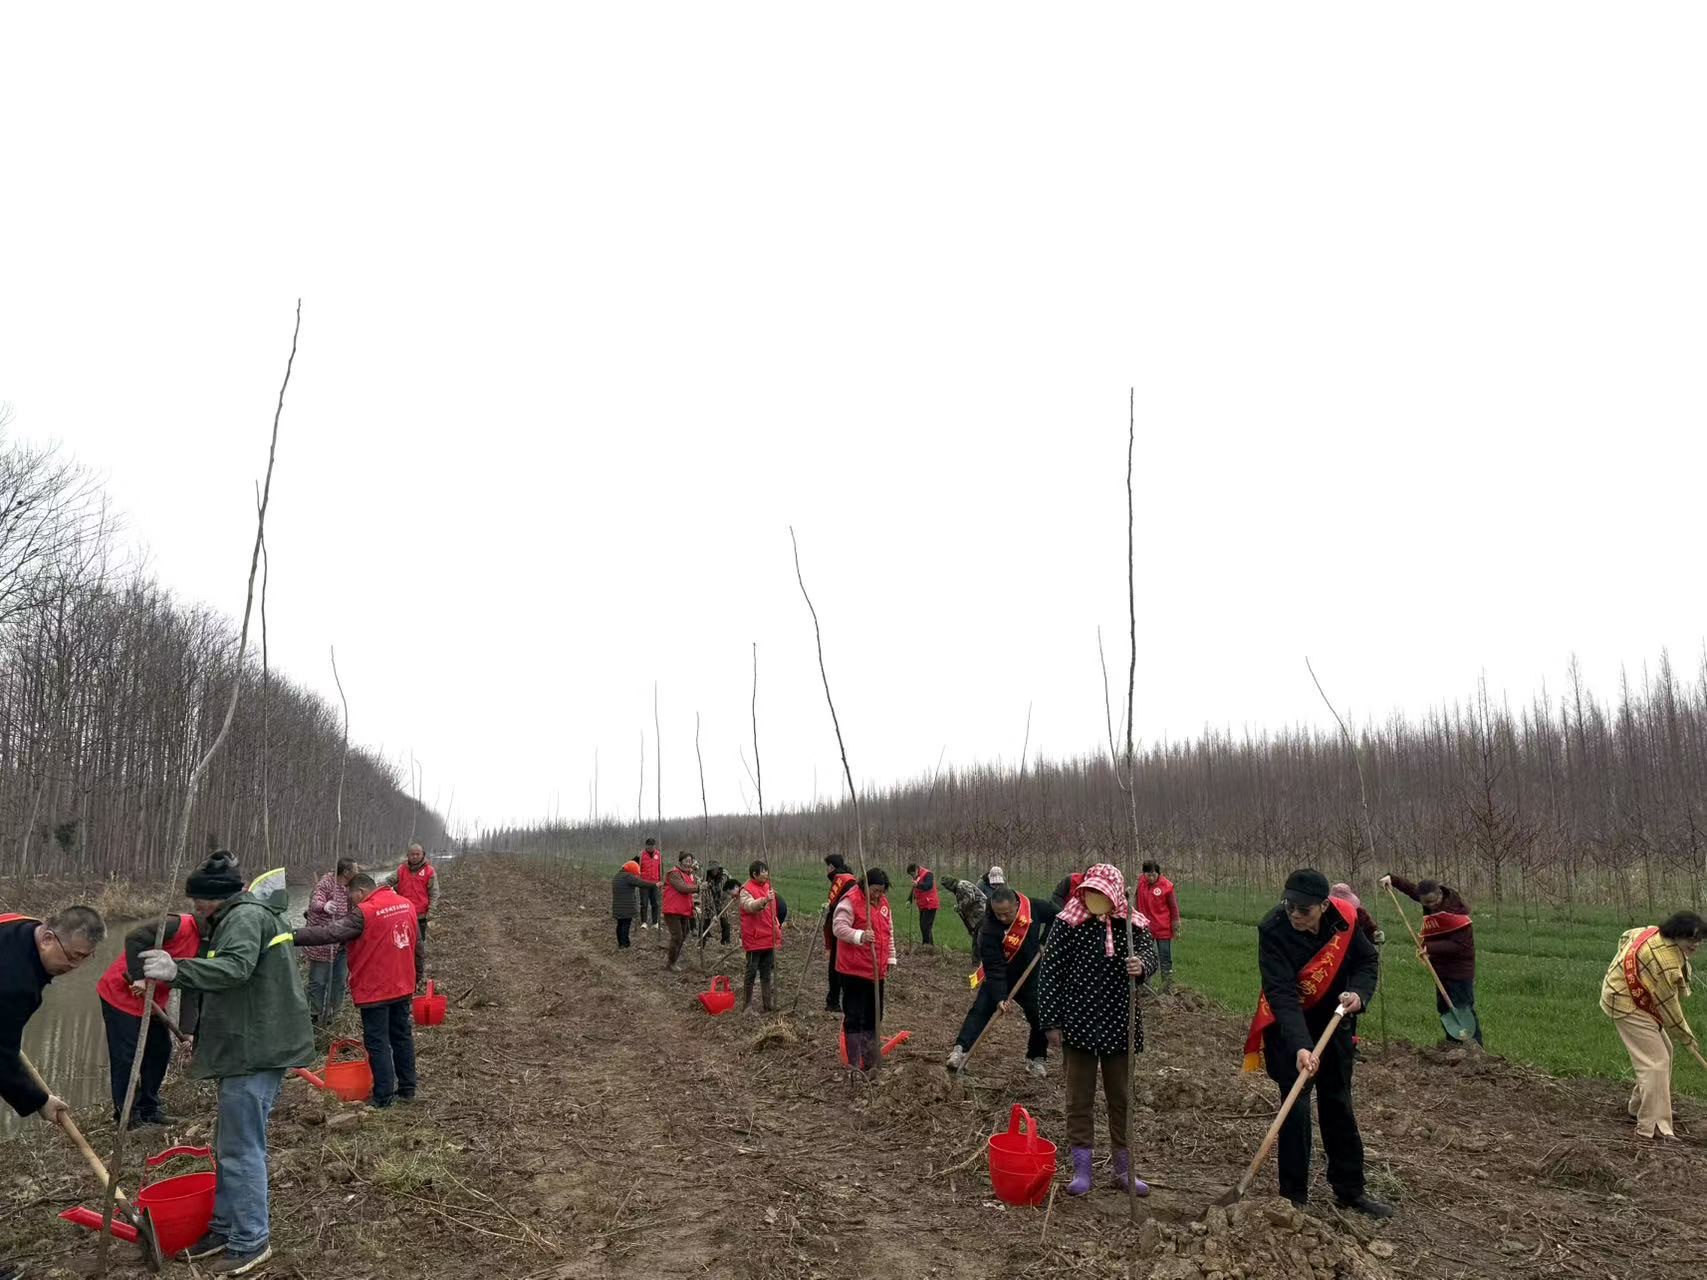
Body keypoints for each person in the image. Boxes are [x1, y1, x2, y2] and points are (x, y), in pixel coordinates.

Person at [140, 852, 315, 1275]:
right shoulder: (238, 916)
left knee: (241, 1149)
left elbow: (235, 969)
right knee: (228, 1145)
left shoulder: (244, 918)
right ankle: (223, 1227)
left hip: (255, 1050)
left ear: (215, 897)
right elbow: (236, 981)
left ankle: (251, 1239)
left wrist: (176, 970)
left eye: (198, 899)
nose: (194, 907)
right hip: (249, 1044)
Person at [1244, 868, 1388, 1218]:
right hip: (1289, 1028)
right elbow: (1281, 993)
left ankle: (1350, 1190)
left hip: (1334, 1022)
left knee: (1338, 1103)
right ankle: (1293, 1198)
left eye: (1303, 909)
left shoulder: (1345, 920)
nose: (1294, 914)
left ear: (1324, 906)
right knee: (1295, 1109)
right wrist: (1300, 1046)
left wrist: (1359, 994)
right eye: (1289, 906)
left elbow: (1367, 960)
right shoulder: (1273, 929)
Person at [1037, 863, 1157, 1196]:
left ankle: (1123, 1170)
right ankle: (1082, 1170)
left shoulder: (1131, 924)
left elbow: (1150, 954)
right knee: (1079, 1099)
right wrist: (1051, 1022)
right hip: (1078, 1024)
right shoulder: (1068, 924)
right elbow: (1050, 975)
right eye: (1090, 893)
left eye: (1102, 894)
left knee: (1122, 1099)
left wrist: (1141, 966)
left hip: (1120, 1024)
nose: (1095, 899)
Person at [290, 873, 421, 1109]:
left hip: (375, 990)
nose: (351, 901)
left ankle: (383, 1097)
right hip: (403, 985)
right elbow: (417, 945)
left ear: (360, 892)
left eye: (351, 896)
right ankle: (408, 1088)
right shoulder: (405, 904)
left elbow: (330, 933)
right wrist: (417, 976)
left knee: (378, 1042)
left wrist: (293, 936)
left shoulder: (365, 912)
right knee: (402, 1036)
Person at [1599, 911, 1707, 1139]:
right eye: (1691, 938)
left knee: (1665, 1051)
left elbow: (1627, 936)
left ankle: (1641, 1106)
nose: (1696, 944)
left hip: (1631, 994)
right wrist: (1688, 1039)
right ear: (1677, 934)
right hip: (1625, 1001)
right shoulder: (1665, 962)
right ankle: (1652, 1126)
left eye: (1700, 939)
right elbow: (1670, 1008)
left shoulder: (1654, 932)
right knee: (1655, 1063)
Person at [1, 905, 105, 1127]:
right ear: (47, 939)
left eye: (86, 957)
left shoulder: (24, 925)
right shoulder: (18, 986)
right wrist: (38, 1100)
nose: (75, 966)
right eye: (74, 956)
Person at [98, 911, 202, 1126]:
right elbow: (133, 938)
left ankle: (149, 1109)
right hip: (121, 993)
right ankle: (128, 1117)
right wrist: (138, 977)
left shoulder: (207, 944)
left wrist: (188, 1031)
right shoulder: (177, 924)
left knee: (160, 1051)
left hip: (153, 1001)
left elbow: (192, 986)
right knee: (126, 1057)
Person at [947, 884, 1061, 1076]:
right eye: (998, 913)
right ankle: (960, 1050)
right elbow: (994, 967)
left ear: (1016, 905)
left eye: (1006, 914)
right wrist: (1000, 997)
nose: (1002, 918)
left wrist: (1045, 940)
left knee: (1039, 1016)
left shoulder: (1032, 907)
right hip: (1000, 976)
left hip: (1030, 975)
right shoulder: (989, 927)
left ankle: (1036, 1058)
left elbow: (1059, 916)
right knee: (980, 1010)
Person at [1381, 871, 1478, 1045]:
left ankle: (1475, 1047)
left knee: (1462, 1009)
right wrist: (1392, 879)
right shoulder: (1428, 899)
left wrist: (1430, 948)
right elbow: (1412, 889)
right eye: (1426, 903)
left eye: (1433, 901)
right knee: (1445, 1009)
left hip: (1459, 970)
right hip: (1440, 969)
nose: (1431, 906)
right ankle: (1453, 1044)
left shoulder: (1455, 912)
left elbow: (1460, 946)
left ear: (1440, 894)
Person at [833, 868, 898, 1072]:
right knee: (854, 1015)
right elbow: (838, 927)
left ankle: (870, 1061)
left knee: (874, 1015)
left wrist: (891, 956)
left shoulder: (884, 904)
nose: (878, 895)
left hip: (876, 971)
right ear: (865, 885)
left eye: (881, 891)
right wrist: (860, 936)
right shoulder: (850, 901)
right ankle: (854, 1064)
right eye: (875, 890)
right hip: (854, 970)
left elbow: (888, 931)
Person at [302, 858, 359, 1027]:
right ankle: (314, 1014)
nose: (358, 872)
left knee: (339, 981)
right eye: (356, 869)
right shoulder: (326, 883)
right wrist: (324, 906)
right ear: (346, 872)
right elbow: (315, 902)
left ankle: (334, 1014)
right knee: (318, 981)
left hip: (342, 943)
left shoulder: (352, 886)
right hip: (323, 944)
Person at [385, 843, 437, 988]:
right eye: (412, 854)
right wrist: (376, 886)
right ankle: (403, 975)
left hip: (420, 917)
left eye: (417, 854)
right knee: (401, 946)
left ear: (422, 854)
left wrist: (431, 912)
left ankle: (417, 977)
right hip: (402, 915)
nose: (414, 857)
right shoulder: (401, 869)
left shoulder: (429, 871)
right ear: (407, 855)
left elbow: (434, 893)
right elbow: (388, 881)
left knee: (418, 949)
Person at [739, 860, 783, 1013]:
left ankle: (767, 1004)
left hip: (768, 937)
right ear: (754, 874)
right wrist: (764, 900)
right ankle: (747, 1006)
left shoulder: (768, 887)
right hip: (755, 938)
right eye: (763, 871)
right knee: (751, 972)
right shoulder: (746, 890)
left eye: (766, 870)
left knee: (766, 972)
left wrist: (777, 928)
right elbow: (749, 906)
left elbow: (774, 912)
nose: (766, 874)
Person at [1139, 862, 1181, 988]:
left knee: (1165, 957)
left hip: (1163, 927)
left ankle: (1167, 984)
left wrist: (1176, 925)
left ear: (1158, 873)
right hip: (1145, 927)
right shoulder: (1140, 883)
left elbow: (1173, 907)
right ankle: (1145, 986)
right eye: (1148, 875)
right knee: (1145, 956)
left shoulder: (1167, 886)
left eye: (1154, 874)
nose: (1151, 877)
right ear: (1144, 874)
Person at [662, 852, 700, 970]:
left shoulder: (688, 874)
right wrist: (698, 888)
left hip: (683, 910)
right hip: (673, 910)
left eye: (690, 861)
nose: (688, 863)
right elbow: (682, 888)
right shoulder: (674, 873)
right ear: (680, 861)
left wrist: (693, 907)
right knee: (677, 936)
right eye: (686, 861)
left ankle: (673, 959)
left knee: (683, 934)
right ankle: (671, 963)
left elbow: (689, 894)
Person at [940, 875, 989, 940]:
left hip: (981, 910)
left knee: (982, 931)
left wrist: (959, 906)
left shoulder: (962, 885)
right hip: (976, 913)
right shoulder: (958, 887)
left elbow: (970, 898)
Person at [611, 860, 645, 949]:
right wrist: (654, 884)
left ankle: (620, 943)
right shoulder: (628, 877)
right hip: (626, 908)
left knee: (620, 924)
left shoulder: (617, 876)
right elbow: (640, 883)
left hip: (617, 907)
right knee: (625, 925)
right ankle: (625, 944)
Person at [701, 863, 737, 946]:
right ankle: (702, 941)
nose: (714, 871)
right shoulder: (706, 879)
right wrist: (713, 914)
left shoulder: (725, 875)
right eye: (712, 869)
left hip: (722, 901)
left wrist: (734, 892)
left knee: (725, 922)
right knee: (705, 922)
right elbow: (708, 897)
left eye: (716, 869)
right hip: (710, 901)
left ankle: (726, 941)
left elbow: (733, 884)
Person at [904, 862, 939, 946]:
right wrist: (909, 900)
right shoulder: (917, 877)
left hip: (930, 904)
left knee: (925, 925)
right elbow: (914, 889)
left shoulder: (928, 874)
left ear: (916, 869)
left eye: (912, 874)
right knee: (923, 925)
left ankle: (926, 945)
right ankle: (929, 945)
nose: (912, 876)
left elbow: (928, 886)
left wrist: (918, 885)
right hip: (923, 905)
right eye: (911, 875)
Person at [636, 838, 664, 930]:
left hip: (655, 883)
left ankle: (655, 922)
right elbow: (635, 867)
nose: (651, 847)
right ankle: (644, 922)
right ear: (646, 845)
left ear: (655, 846)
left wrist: (661, 880)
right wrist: (637, 879)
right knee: (644, 903)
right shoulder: (641, 855)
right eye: (649, 845)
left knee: (655, 903)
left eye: (652, 845)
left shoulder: (658, 855)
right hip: (644, 883)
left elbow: (661, 869)